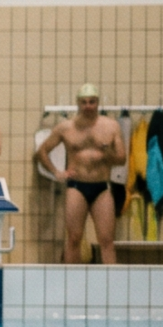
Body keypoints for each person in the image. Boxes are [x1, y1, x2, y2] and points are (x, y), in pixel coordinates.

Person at [36, 82, 125, 264]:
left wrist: (106, 152)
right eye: (84, 102)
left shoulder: (111, 126)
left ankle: (113, 286)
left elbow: (121, 159)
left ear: (98, 103)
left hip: (101, 187)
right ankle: (72, 285)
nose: (88, 106)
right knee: (74, 238)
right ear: (78, 103)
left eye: (92, 102)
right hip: (76, 186)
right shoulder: (65, 128)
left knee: (107, 241)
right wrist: (57, 172)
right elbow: (42, 152)